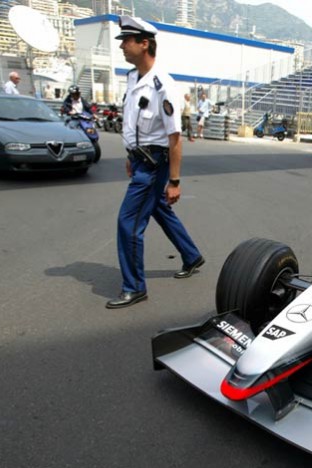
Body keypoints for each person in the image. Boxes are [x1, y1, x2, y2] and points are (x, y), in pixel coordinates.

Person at [107, 16, 204, 309]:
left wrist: (174, 181)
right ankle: (191, 255)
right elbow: (133, 123)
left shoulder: (164, 87)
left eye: (127, 40)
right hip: (140, 160)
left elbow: (175, 138)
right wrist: (130, 154)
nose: (122, 45)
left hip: (153, 165)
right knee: (158, 209)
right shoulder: (132, 77)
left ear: (144, 44)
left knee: (128, 223)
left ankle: (134, 287)